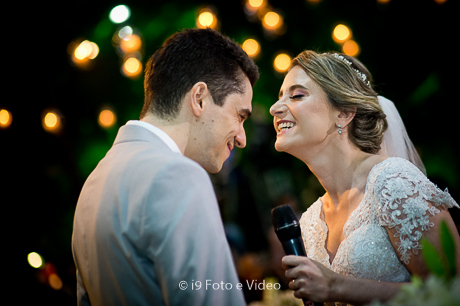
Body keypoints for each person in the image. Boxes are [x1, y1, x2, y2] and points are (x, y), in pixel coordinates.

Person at [72, 28, 259, 306]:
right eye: (239, 115)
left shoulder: (95, 182)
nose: (242, 138)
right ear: (199, 98)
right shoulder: (179, 176)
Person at [269, 50, 460, 305]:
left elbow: (451, 291)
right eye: (280, 96)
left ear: (344, 113)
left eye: (297, 95)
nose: (274, 108)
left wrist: (337, 286)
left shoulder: (394, 183)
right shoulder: (312, 221)